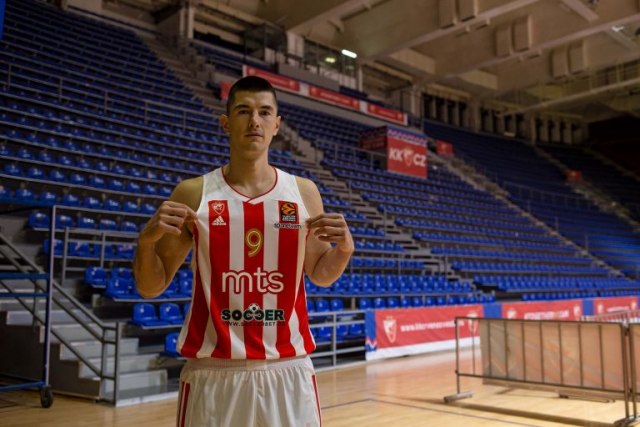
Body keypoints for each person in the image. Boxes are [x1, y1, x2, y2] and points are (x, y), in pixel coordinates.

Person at [133, 76, 354, 427]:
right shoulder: (193, 193)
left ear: (277, 125)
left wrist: (343, 250)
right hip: (213, 373)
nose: (255, 121)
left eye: (265, 112)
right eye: (243, 111)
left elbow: (321, 274)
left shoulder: (303, 192)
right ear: (225, 122)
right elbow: (150, 287)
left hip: (288, 369)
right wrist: (145, 242)